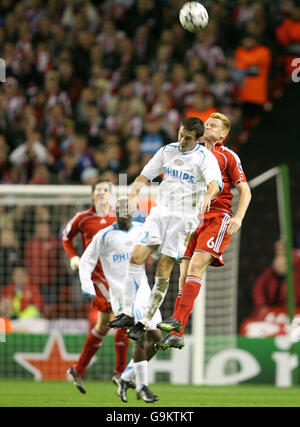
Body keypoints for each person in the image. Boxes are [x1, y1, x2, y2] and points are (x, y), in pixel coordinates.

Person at [108, 116, 223, 342]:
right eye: (180, 135)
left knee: (163, 269)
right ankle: (128, 313)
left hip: (183, 219)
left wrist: (208, 196)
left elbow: (215, 183)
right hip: (160, 212)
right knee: (136, 257)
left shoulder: (204, 157)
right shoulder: (167, 150)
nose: (182, 141)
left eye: (188, 138)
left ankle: (143, 322)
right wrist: (132, 194)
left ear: (198, 140)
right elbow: (144, 175)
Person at [155, 112, 252, 350]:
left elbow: (246, 191)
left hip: (217, 217)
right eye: (207, 123)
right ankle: (177, 333)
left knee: (196, 266)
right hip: (190, 219)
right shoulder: (189, 152)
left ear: (223, 134)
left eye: (214, 125)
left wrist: (238, 217)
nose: (208, 126)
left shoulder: (227, 156)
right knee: (184, 273)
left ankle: (177, 320)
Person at [79, 197, 162, 403]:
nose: (125, 213)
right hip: (123, 298)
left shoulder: (142, 229)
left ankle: (125, 377)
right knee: (140, 337)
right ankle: (142, 386)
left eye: (128, 209)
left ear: (133, 211)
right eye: (121, 209)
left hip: (144, 291)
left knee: (158, 340)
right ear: (115, 212)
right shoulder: (104, 235)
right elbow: (86, 261)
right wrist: (87, 287)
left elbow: (158, 251)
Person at [62, 180, 129, 393]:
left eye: (106, 190)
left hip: (117, 276)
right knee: (123, 317)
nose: (102, 194)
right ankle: (121, 373)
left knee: (103, 325)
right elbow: (66, 238)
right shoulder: (82, 218)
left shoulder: (117, 219)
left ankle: (79, 369)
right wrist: (73, 257)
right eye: (98, 190)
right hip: (97, 278)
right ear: (92, 195)